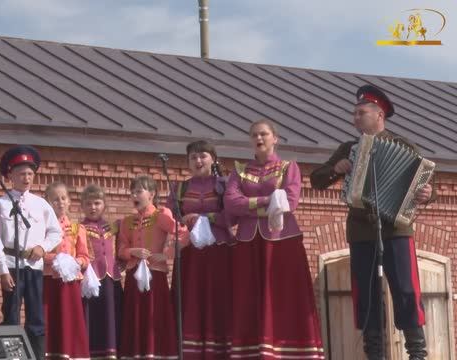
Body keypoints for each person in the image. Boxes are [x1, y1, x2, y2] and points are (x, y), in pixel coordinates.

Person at [310, 85, 434, 360]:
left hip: (396, 230)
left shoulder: (403, 146)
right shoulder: (348, 149)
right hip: (361, 231)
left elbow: (425, 185)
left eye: (361, 113)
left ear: (379, 115)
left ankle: (417, 353)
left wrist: (427, 194)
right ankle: (374, 354)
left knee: (406, 289)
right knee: (366, 295)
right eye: (354, 113)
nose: (355, 118)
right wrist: (336, 168)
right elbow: (317, 180)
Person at [224, 119, 324, 359]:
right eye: (255, 135)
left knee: (282, 293)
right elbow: (230, 202)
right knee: (248, 295)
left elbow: (290, 202)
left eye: (264, 134)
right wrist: (267, 201)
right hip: (248, 242)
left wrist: (249, 205)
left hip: (281, 241)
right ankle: (251, 350)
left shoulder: (289, 167)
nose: (259, 139)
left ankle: (289, 349)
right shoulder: (239, 170)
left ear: (275, 138)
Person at [167, 140, 232, 359]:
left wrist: (205, 217)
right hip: (190, 254)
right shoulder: (180, 188)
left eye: (202, 156)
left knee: (218, 298)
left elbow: (232, 215)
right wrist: (181, 220)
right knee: (191, 299)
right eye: (193, 157)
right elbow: (169, 218)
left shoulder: (225, 184)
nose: (198, 160)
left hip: (220, 252)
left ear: (213, 159)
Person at [0, 145, 62, 360]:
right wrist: (3, 270)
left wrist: (42, 247)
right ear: (10, 175)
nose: (26, 178)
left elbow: (56, 232)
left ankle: (36, 356)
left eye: (30, 173)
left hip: (34, 267)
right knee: (11, 316)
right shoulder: (1, 204)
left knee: (36, 318)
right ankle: (12, 357)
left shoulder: (41, 204)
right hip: (11, 265)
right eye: (21, 173)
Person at [118, 175, 188, 360]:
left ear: (152, 194)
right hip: (133, 277)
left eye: (139, 191)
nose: (135, 194)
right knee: (136, 318)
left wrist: (167, 255)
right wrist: (133, 251)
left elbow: (182, 232)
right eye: (132, 191)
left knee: (154, 317)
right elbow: (121, 250)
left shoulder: (161, 215)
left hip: (155, 277)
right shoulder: (126, 222)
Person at [43, 182, 90, 360]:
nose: (60, 202)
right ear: (47, 203)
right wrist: (54, 259)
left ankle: (72, 353)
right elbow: (38, 254)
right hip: (50, 280)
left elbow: (85, 258)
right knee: (51, 320)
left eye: (63, 198)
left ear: (69, 201)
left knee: (70, 321)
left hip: (70, 283)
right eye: (55, 200)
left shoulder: (78, 228)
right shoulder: (43, 228)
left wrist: (75, 261)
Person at [80, 184, 123, 359]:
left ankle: (113, 353)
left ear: (104, 204)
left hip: (112, 282)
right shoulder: (79, 228)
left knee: (112, 318)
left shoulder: (114, 227)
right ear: (82, 206)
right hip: (91, 282)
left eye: (97, 203)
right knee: (93, 319)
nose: (93, 207)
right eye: (88, 204)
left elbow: (121, 250)